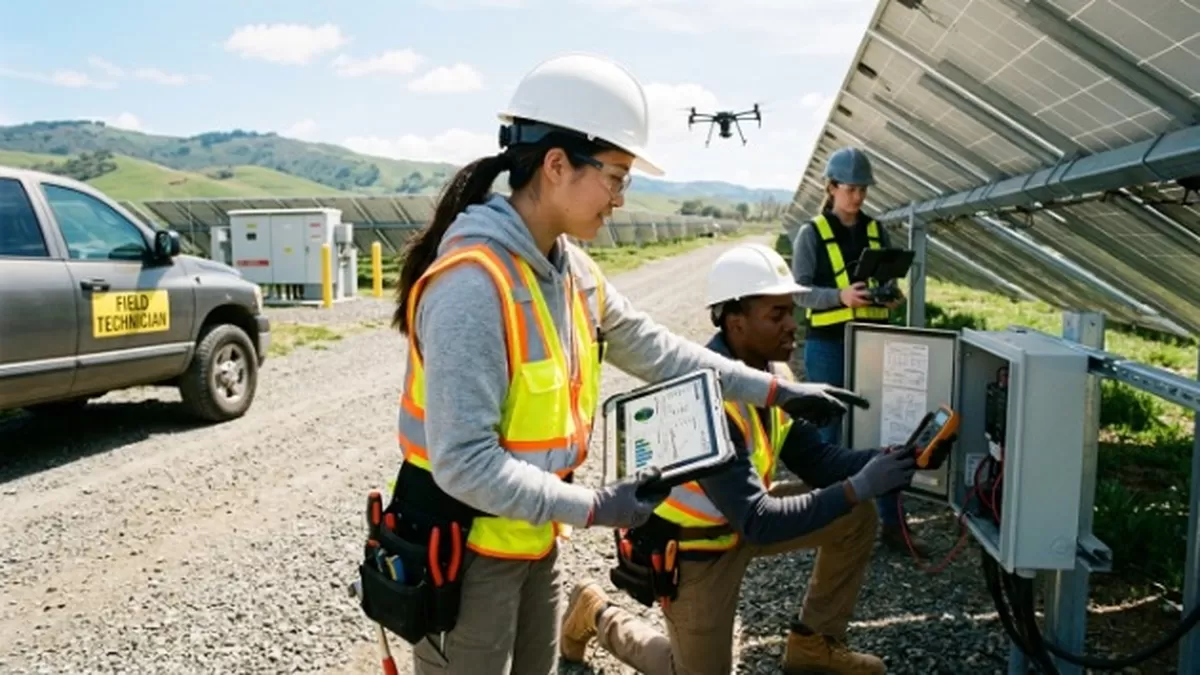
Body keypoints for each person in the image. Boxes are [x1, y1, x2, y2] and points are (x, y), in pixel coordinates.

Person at [382, 54, 870, 675]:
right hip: (468, 551)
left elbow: (663, 351)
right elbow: (463, 462)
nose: (619, 199)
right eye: (615, 177)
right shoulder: (473, 286)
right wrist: (596, 506)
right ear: (557, 165)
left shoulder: (573, 274)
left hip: (534, 540)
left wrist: (776, 393)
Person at [559, 243, 941, 675]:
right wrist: (859, 485)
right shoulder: (703, 400)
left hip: (742, 521)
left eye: (790, 311)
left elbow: (815, 459)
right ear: (735, 323)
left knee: (855, 517)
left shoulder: (773, 377)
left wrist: (888, 462)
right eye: (775, 316)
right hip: (696, 551)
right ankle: (595, 612)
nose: (791, 326)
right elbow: (759, 519)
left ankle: (813, 646)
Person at [789, 146, 928, 557]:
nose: (858, 197)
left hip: (873, 343)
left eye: (863, 190)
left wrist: (891, 297)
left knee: (883, 434)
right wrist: (839, 296)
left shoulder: (875, 230)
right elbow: (798, 294)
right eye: (851, 189)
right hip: (828, 346)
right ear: (830, 187)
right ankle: (827, 524)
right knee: (828, 432)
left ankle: (892, 526)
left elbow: (885, 284)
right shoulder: (810, 233)